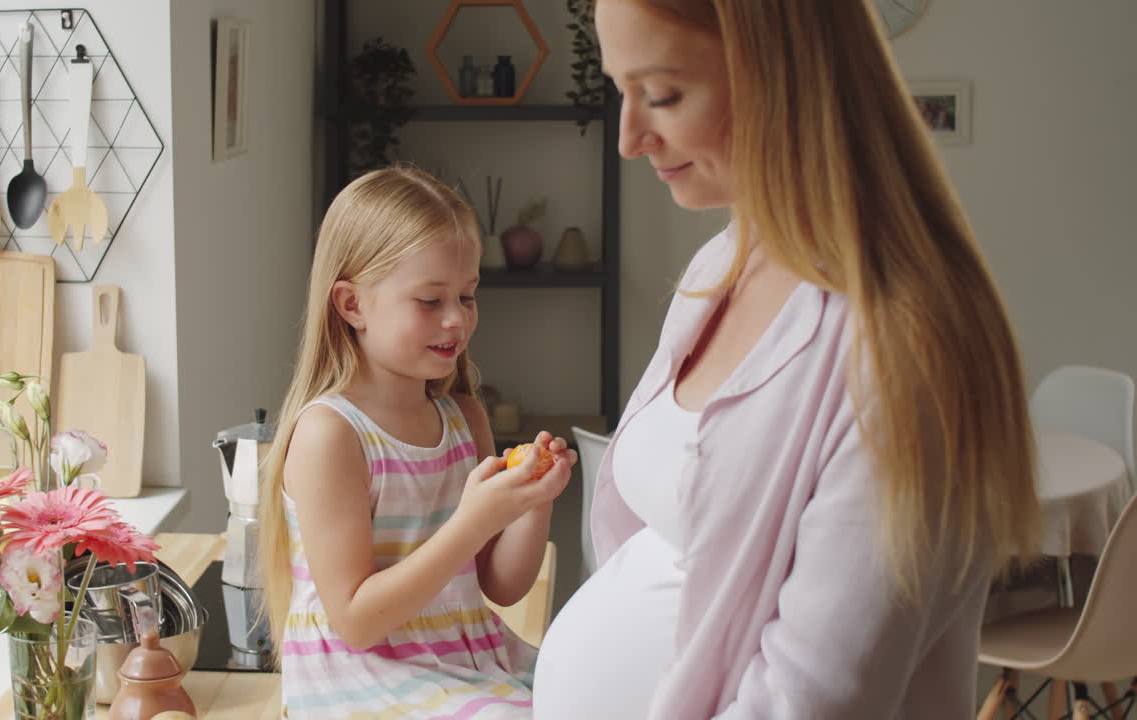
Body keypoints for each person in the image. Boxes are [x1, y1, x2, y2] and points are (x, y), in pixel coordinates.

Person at [532, 2, 1042, 718]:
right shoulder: (725, 263)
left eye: (663, 95)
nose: (629, 138)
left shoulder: (903, 350)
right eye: (622, 90)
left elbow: (813, 700)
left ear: (785, 75)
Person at [258, 166, 576, 719]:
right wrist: (474, 520)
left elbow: (499, 586)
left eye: (468, 296)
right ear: (352, 305)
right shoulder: (331, 434)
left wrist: (532, 504)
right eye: (430, 301)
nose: (456, 319)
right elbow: (356, 621)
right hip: (366, 674)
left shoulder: (463, 418)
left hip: (466, 655)